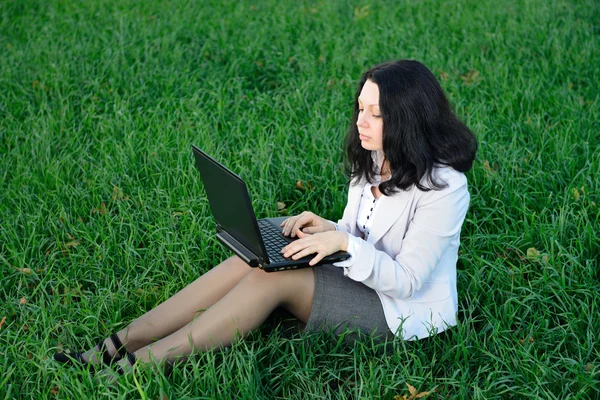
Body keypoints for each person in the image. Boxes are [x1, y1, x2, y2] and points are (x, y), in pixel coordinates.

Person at [54, 59, 477, 379]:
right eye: (359, 107)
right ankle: (121, 340)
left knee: (272, 275)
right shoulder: (374, 156)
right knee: (268, 239)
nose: (360, 121)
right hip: (367, 277)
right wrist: (330, 229)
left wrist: (344, 245)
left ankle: (140, 364)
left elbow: (407, 280)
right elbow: (363, 230)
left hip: (399, 313)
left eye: (375, 113)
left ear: (406, 119)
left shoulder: (445, 188)